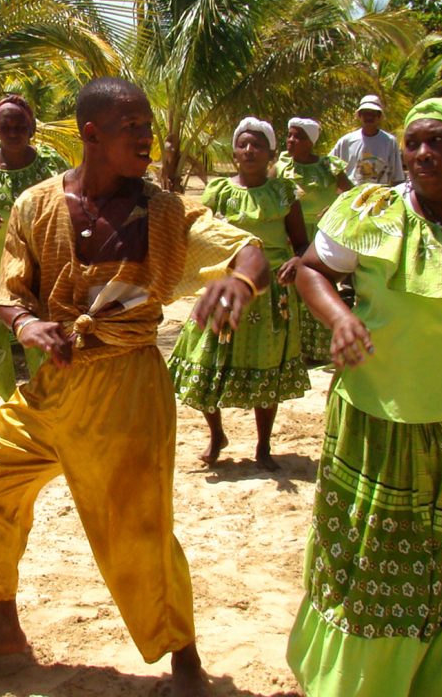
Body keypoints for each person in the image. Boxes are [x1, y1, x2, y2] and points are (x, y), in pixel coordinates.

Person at [0, 78, 270, 696]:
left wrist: (241, 283)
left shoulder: (166, 211)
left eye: (148, 125)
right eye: (133, 128)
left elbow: (246, 250)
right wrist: (31, 323)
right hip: (52, 387)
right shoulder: (35, 205)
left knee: (139, 529)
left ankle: (186, 663)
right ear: (92, 135)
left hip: (127, 387)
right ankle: (2, 624)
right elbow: (13, 293)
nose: (147, 137)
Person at [286, 98, 442, 696]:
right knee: (373, 561)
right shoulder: (372, 209)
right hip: (376, 422)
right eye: (414, 143)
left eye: (441, 142)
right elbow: (310, 268)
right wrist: (339, 320)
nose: (424, 154)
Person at [168, 118, 310, 470]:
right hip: (223, 288)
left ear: (270, 153)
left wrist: (295, 261)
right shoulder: (218, 192)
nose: (249, 151)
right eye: (243, 144)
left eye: (257, 145)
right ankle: (216, 435)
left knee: (267, 370)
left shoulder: (284, 193)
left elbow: (303, 246)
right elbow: (200, 237)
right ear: (233, 151)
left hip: (272, 292)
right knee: (204, 361)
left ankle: (263, 446)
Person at [0, 94, 69, 437]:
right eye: (5, 125)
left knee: (41, 344)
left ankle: (45, 413)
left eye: (20, 125)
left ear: (32, 127)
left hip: (36, 273)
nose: (13, 131)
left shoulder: (50, 164)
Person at [275, 117, 352, 362]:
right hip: (292, 233)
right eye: (289, 135)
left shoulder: (328, 166)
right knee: (292, 288)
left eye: (298, 137)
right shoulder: (282, 166)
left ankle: (318, 350)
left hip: (322, 233)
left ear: (310, 142)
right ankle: (294, 347)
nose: (291, 141)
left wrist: (335, 208)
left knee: (320, 284)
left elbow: (350, 194)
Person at [330, 94, 404, 186]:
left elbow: (397, 176)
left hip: (379, 195)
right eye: (365, 113)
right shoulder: (346, 141)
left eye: (373, 113)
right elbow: (330, 165)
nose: (369, 117)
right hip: (352, 195)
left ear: (379, 116)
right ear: (360, 116)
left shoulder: (389, 142)